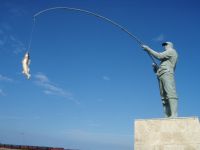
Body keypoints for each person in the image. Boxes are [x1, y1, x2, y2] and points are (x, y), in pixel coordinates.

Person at [142, 42, 178, 118]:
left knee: (170, 93)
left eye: (166, 45)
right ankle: (167, 114)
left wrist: (148, 49)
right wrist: (156, 69)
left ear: (170, 45)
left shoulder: (172, 51)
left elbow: (159, 56)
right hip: (161, 75)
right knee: (163, 96)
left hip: (167, 73)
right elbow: (160, 66)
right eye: (164, 45)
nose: (165, 46)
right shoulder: (164, 61)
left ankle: (174, 114)